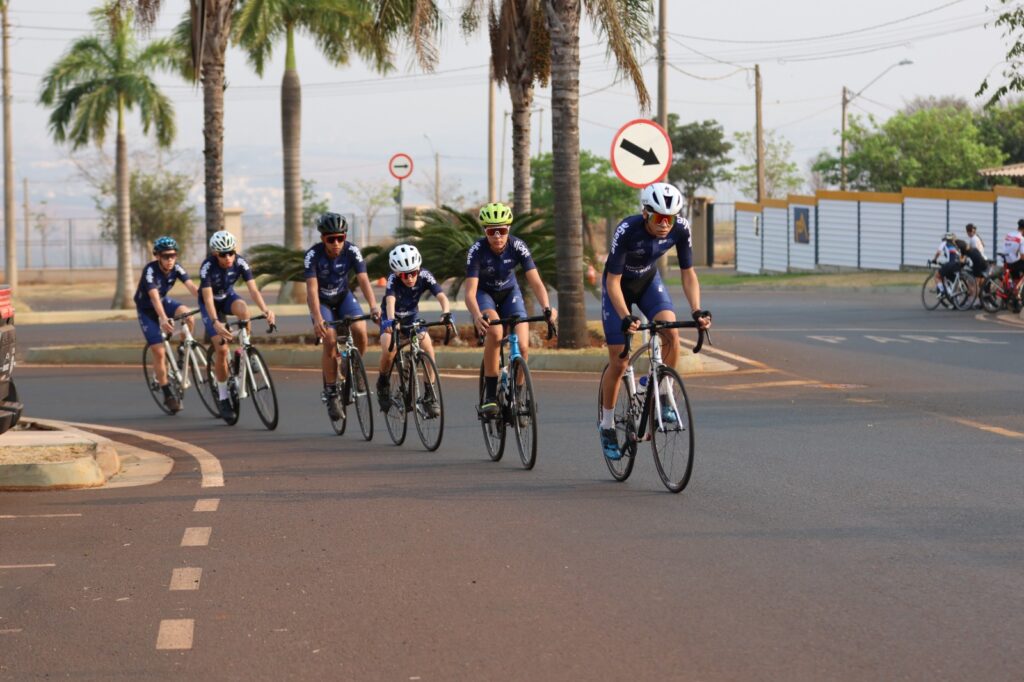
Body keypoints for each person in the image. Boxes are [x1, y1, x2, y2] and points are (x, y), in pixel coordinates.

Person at [598, 182, 711, 460]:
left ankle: (659, 389)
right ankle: (607, 424)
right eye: (659, 217)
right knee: (620, 361)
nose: (665, 224)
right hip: (619, 287)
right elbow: (612, 282)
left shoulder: (680, 229)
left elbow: (688, 272)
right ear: (645, 212)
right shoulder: (627, 230)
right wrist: (625, 316)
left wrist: (697, 310)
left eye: (670, 218)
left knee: (671, 333)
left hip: (648, 281)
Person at [464, 202, 557, 416]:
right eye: (491, 231)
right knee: (496, 332)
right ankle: (489, 395)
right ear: (485, 231)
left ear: (509, 229)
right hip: (484, 294)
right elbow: (469, 293)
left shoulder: (518, 246)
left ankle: (518, 395)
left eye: (502, 231)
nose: (497, 236)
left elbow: (536, 282)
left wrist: (547, 308)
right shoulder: (477, 251)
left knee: (523, 347)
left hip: (509, 293)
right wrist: (477, 315)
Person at [304, 212, 380, 421]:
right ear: (323, 239)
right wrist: (317, 318)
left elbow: (363, 280)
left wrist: (374, 306)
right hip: (322, 302)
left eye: (340, 238)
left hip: (343, 296)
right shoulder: (313, 255)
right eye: (331, 239)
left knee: (360, 331)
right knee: (329, 339)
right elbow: (311, 290)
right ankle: (331, 392)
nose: (336, 243)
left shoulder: (352, 251)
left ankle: (353, 367)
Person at [199, 230, 276, 421]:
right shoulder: (207, 267)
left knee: (244, 310)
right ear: (215, 254)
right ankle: (224, 397)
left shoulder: (240, 262)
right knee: (222, 350)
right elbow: (208, 298)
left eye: (231, 252)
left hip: (227, 297)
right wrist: (216, 321)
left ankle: (246, 349)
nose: (228, 258)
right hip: (210, 305)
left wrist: (266, 310)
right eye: (223, 254)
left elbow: (253, 290)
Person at [376, 244, 453, 416]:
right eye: (405, 275)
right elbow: (390, 301)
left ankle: (429, 396)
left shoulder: (425, 275)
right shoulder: (392, 279)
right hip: (392, 317)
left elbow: (441, 296)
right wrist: (390, 320)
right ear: (397, 273)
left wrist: (446, 312)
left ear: (418, 269)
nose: (410, 278)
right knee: (390, 347)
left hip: (412, 317)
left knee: (428, 348)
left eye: (413, 273)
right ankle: (383, 383)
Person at [134, 236, 200, 413]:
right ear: (158, 256)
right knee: (159, 351)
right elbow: (154, 297)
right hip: (147, 310)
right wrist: (163, 318)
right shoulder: (150, 271)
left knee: (188, 315)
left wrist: (207, 303)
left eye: (173, 256)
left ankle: (181, 348)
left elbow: (192, 287)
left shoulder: (176, 268)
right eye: (165, 256)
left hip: (163, 301)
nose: (170, 260)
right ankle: (166, 393)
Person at [961, 224, 988, 304]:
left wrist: (963, 259)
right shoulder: (977, 237)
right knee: (981, 283)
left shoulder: (973, 239)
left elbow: (974, 252)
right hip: (984, 260)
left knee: (974, 282)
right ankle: (983, 301)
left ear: (967, 232)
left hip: (979, 261)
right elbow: (983, 247)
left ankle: (976, 301)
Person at [932, 231, 961, 301]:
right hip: (958, 265)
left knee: (937, 276)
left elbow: (938, 252)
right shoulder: (955, 246)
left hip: (950, 264)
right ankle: (957, 301)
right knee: (953, 281)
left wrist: (934, 259)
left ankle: (942, 292)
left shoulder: (944, 243)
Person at [1002, 219, 1024, 308]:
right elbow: (1023, 256)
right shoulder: (1021, 238)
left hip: (1006, 260)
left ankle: (1014, 293)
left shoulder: (1009, 234)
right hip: (1014, 262)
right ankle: (1016, 293)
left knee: (1015, 278)